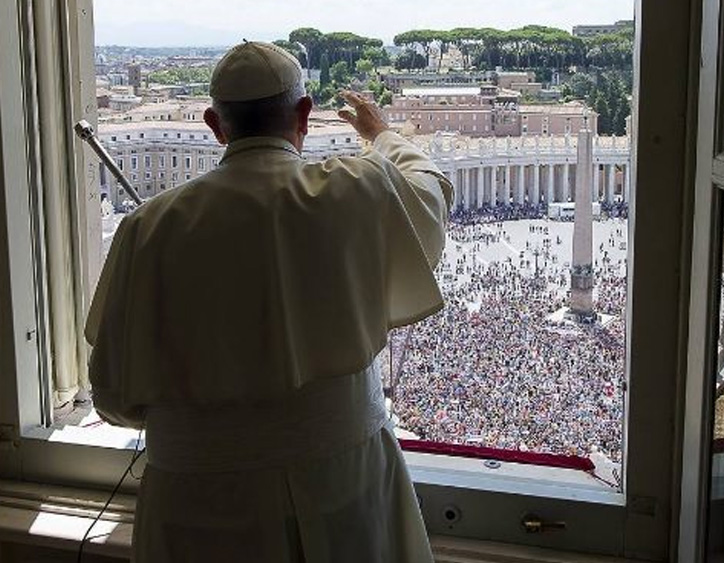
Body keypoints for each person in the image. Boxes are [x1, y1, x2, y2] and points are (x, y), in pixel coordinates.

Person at [85, 41, 452, 563]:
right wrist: (382, 135)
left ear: (215, 124)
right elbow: (431, 191)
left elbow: (115, 395)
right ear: (305, 115)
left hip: (196, 503)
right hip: (342, 486)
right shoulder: (356, 189)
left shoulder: (147, 228)